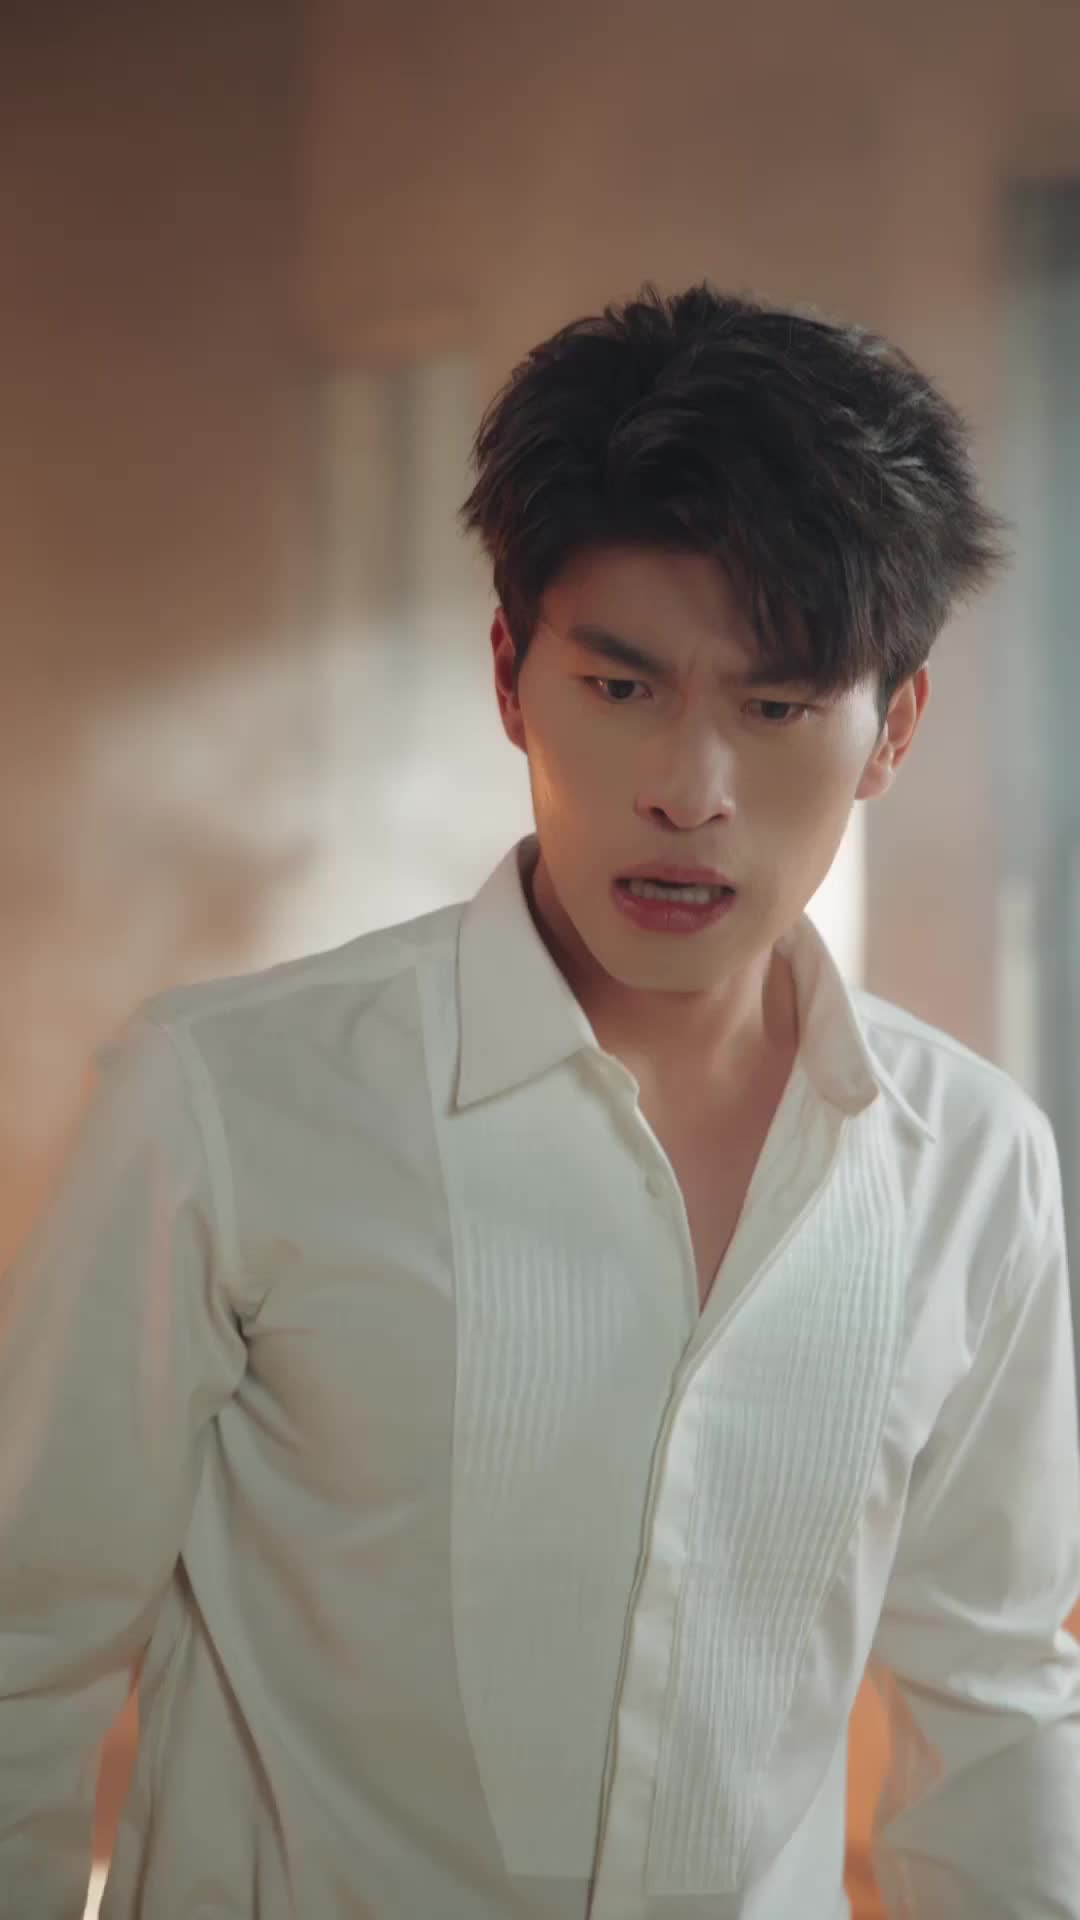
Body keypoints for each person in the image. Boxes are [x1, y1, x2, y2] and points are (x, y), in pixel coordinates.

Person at [2, 284, 1079, 1920]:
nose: (689, 793)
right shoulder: (227, 1101)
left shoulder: (977, 1166)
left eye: (777, 708)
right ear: (513, 676)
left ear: (894, 727)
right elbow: (24, 1652)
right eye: (623, 687)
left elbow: (993, 1709)